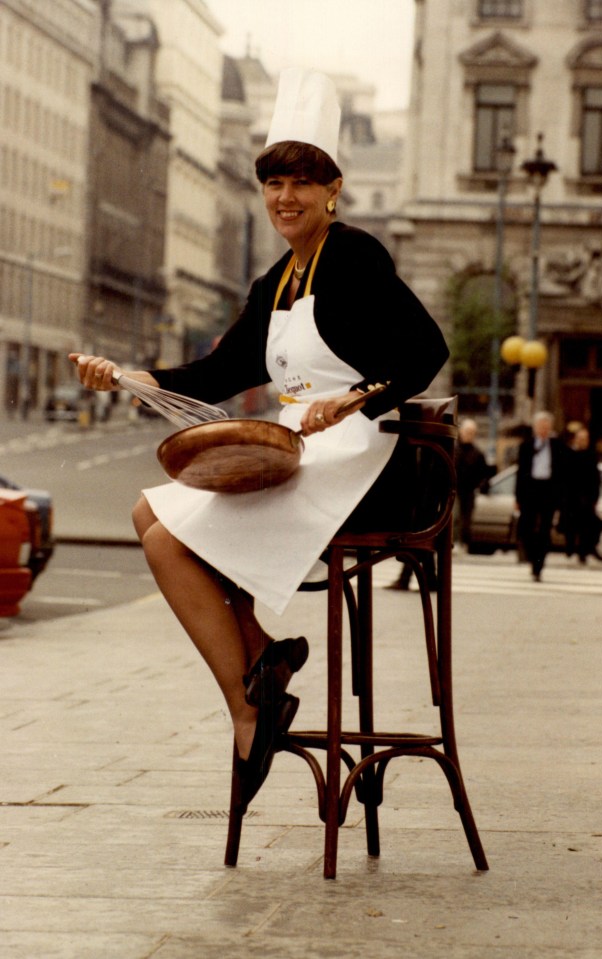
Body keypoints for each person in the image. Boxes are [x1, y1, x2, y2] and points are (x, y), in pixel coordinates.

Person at [69, 69, 449, 807]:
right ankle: (263, 660)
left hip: (363, 458)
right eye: (274, 182)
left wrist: (355, 398)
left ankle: (250, 710)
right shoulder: (274, 281)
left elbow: (425, 349)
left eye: (302, 182)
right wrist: (124, 375)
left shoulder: (356, 256)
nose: (285, 198)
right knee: (150, 514)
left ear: (332, 187)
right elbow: (216, 373)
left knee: (163, 537)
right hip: (302, 450)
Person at [514, 410, 565, 582]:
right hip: (530, 490)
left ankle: (538, 566)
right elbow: (520, 473)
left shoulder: (557, 446)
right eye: (540, 426)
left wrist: (560, 497)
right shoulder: (526, 446)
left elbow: (563, 472)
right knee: (526, 528)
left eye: (546, 426)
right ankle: (530, 554)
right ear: (535, 428)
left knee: (544, 530)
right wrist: (517, 497)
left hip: (548, 490)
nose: (543, 429)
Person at [561, 426, 600, 564]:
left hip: (586, 498)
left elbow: (596, 479)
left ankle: (582, 552)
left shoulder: (591, 456)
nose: (583, 441)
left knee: (586, 527)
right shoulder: (568, 454)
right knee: (570, 525)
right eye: (581, 439)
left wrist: (594, 498)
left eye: (586, 439)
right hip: (571, 497)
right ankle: (570, 548)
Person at [454, 418, 488, 550]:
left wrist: (480, 485)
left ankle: (463, 543)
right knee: (455, 517)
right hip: (454, 489)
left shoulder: (478, 453)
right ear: (461, 432)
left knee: (466, 520)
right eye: (467, 431)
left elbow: (483, 473)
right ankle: (454, 542)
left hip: (469, 491)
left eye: (472, 432)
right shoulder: (453, 449)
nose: (469, 435)